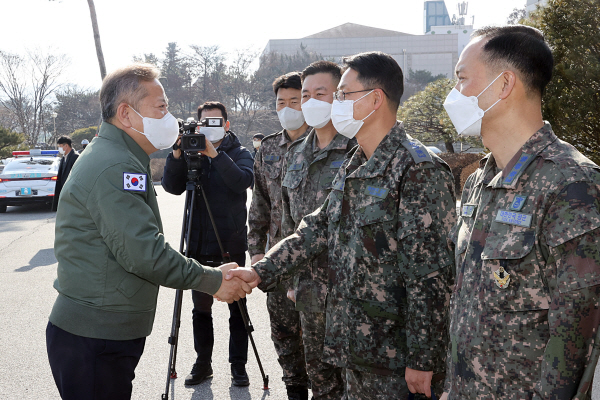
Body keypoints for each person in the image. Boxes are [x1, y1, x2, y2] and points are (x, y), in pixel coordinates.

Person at [230, 51, 456, 399]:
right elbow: (317, 228)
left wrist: (424, 359)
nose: (334, 104)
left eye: (342, 94)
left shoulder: (417, 169)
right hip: (355, 345)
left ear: (375, 99)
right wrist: (261, 272)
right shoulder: (357, 162)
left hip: (394, 357)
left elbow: (430, 276)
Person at [46, 63, 251, 400]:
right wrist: (214, 280)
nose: (170, 118)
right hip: (96, 336)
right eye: (161, 108)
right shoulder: (115, 164)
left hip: (104, 331)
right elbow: (145, 254)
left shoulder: (121, 156)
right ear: (127, 114)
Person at [438, 25, 600, 400]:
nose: (454, 93)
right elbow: (468, 302)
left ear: (504, 84)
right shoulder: (481, 178)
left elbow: (576, 338)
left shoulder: (571, 185)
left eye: (462, 79)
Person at [162, 101, 254, 387]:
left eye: (216, 122)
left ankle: (238, 365)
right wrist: (177, 153)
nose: (210, 127)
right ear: (198, 124)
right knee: (201, 308)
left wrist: (214, 155)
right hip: (198, 243)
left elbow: (242, 181)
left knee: (236, 306)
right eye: (205, 123)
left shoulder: (240, 153)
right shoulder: (191, 154)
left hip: (230, 242)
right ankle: (203, 363)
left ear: (226, 125)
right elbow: (171, 187)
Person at [281, 60, 355, 399]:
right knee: (321, 383)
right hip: (309, 293)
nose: (310, 102)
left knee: (354, 384)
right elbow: (288, 226)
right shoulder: (295, 154)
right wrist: (292, 281)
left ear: (339, 96)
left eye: (320, 94)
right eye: (305, 94)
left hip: (353, 295)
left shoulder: (360, 149)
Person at [247, 71, 311, 400]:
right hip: (276, 260)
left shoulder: (326, 144)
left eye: (295, 101)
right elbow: (259, 202)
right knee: (284, 333)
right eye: (281, 102)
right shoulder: (268, 147)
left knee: (318, 335)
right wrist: (256, 251)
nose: (287, 108)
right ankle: (294, 389)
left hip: (314, 260)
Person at [51, 136, 79, 211]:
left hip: (72, 194)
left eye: (60, 146)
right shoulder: (64, 158)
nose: (59, 149)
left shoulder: (75, 157)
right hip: (64, 193)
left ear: (66, 146)